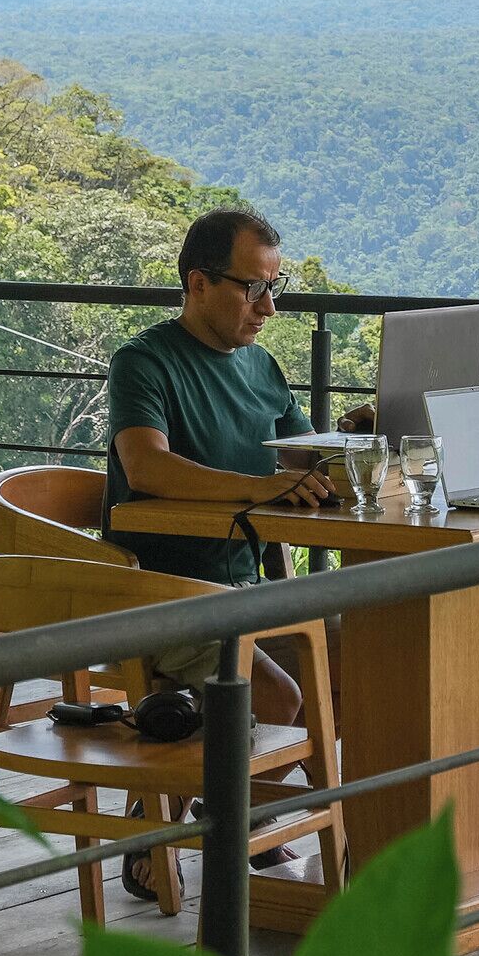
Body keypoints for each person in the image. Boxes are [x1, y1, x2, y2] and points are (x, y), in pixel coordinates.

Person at [104, 206, 329, 730]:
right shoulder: (144, 361)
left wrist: (363, 438)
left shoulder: (261, 366)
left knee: (362, 657)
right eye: (253, 288)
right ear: (199, 284)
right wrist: (258, 487)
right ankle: (222, 786)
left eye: (274, 287)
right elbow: (146, 467)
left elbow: (308, 458)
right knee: (276, 697)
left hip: (246, 593)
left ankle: (236, 775)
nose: (268, 307)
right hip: (163, 601)